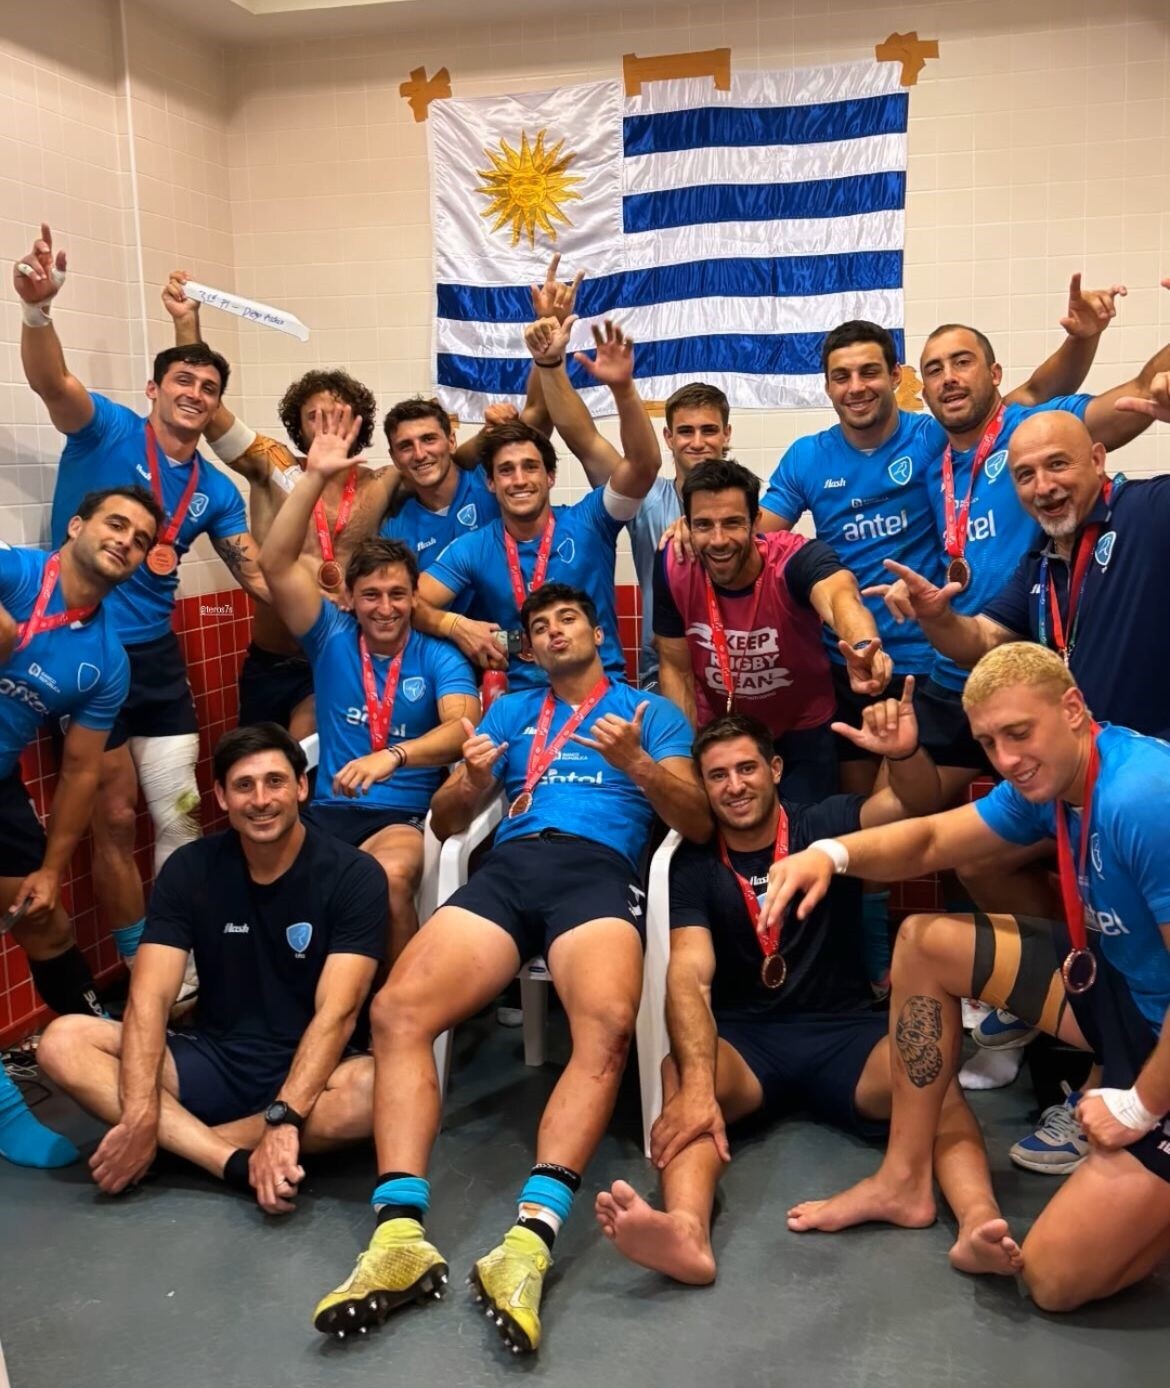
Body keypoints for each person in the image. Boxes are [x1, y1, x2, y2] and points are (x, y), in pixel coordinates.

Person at [311, 583, 709, 1355]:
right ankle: (399, 1241)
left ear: (598, 631)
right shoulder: (512, 711)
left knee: (607, 1027)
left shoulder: (649, 711)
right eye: (541, 626)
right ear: (529, 648)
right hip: (512, 864)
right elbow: (449, 824)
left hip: (596, 873)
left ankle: (528, 1240)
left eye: (569, 620)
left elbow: (694, 819)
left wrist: (638, 766)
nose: (555, 632)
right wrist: (465, 782)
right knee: (397, 1013)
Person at [763, 643, 1170, 1313]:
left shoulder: (1140, 796)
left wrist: (1139, 1105)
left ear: (1073, 709)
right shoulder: (1055, 783)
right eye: (989, 742)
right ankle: (903, 1180)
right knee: (924, 942)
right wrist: (827, 855)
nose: (1007, 758)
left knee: (1050, 1278)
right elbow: (928, 842)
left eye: (1019, 732)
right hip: (1126, 997)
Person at [595, 702, 1014, 1285]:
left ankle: (980, 1225)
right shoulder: (691, 863)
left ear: (775, 769)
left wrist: (900, 755)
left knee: (930, 1074)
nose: (734, 786)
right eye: (717, 776)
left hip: (846, 1033)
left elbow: (913, 804)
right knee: (683, 1075)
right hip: (750, 1041)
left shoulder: (826, 825)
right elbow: (690, 974)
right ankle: (686, 1231)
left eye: (746, 769)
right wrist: (696, 1086)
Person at [14, 226, 271, 973]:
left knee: (180, 812)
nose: (195, 396)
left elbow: (251, 569)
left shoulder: (216, 489)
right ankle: (138, 971)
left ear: (217, 405)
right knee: (116, 817)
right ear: (156, 391)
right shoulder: (107, 429)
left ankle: (183, 968)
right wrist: (37, 313)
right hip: (84, 652)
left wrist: (325, 605)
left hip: (156, 658)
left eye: (209, 389)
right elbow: (51, 383)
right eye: (182, 384)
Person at [36, 723, 387, 1214]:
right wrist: (138, 1111)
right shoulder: (190, 869)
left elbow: (339, 1013)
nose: (260, 799)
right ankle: (227, 1160)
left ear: (302, 787)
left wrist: (285, 1116)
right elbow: (149, 999)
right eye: (244, 785)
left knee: (375, 1090)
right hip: (213, 1060)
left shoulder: (354, 876)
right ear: (220, 796)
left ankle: (169, 1148)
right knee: (63, 1040)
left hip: (312, 1067)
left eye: (275, 782)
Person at [870, 291, 1170, 807]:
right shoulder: (925, 446)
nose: (949, 377)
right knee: (885, 811)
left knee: (1006, 838)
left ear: (994, 374)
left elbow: (1140, 392)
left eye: (963, 362)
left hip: (1035, 666)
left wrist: (1085, 339)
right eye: (935, 369)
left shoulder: (1032, 426)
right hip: (957, 665)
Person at [258, 407, 479, 958]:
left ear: (414, 597)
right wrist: (314, 477)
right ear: (350, 599)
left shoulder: (438, 654)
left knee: (384, 881)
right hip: (326, 813)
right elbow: (275, 561)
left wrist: (394, 757)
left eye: (399, 595)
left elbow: (461, 729)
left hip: (402, 816)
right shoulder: (329, 635)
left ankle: (392, 1014)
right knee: (252, 876)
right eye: (372, 596)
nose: (386, 608)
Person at [0, 486, 162, 1169]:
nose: (126, 539)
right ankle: (5, 1107)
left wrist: (49, 868)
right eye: (115, 523)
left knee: (44, 921)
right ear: (76, 526)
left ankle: (99, 1046)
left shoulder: (106, 660)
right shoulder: (17, 572)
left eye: (141, 538)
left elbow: (79, 774)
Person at [165, 270, 396, 738]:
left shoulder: (382, 482)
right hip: (272, 657)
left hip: (342, 655)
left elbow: (447, 464)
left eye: (338, 414)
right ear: (298, 426)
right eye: (313, 416)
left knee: (312, 763)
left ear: (360, 422)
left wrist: (500, 422)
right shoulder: (271, 463)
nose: (326, 424)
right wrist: (187, 324)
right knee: (256, 768)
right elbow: (213, 420)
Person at [882, 404, 1170, 741]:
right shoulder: (1039, 562)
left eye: (1057, 464)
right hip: (1080, 761)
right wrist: (936, 617)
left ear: (1096, 460)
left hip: (1154, 769)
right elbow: (979, 641)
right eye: (1025, 475)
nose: (1043, 486)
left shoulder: (1147, 511)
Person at [414, 315, 663, 684]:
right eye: (506, 470)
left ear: (550, 477)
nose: (519, 480)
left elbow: (644, 465)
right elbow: (411, 603)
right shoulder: (475, 548)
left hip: (602, 693)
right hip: (522, 703)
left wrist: (623, 389)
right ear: (491, 484)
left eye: (530, 468)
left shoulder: (590, 521)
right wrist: (455, 624)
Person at [654, 458, 892, 802]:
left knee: (805, 837)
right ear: (687, 525)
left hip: (802, 730)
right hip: (722, 730)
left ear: (755, 523)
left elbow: (841, 595)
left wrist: (862, 644)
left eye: (732, 523)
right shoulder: (673, 566)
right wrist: (684, 757)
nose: (718, 540)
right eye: (703, 525)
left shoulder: (795, 559)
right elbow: (676, 669)